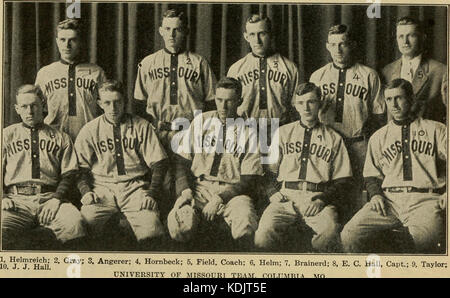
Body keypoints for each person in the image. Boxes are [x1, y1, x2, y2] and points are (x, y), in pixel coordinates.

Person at [341, 78, 446, 253]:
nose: (394, 105)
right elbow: (371, 175)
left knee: (425, 241)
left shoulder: (436, 129)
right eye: (389, 99)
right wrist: (375, 195)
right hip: (389, 201)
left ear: (411, 99)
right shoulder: (379, 136)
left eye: (399, 98)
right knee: (350, 234)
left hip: (425, 201)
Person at [255, 83, 352, 252]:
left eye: (311, 102)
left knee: (330, 233)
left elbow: (343, 181)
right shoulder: (283, 133)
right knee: (263, 235)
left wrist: (323, 200)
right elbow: (268, 172)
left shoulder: (334, 138)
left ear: (320, 104)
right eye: (301, 103)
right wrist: (271, 192)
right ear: (295, 105)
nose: (306, 108)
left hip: (317, 197)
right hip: (285, 197)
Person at [167, 77, 262, 250]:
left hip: (232, 193)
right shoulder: (201, 121)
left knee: (246, 222)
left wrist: (219, 198)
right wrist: (185, 190)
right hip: (199, 188)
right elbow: (181, 162)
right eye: (219, 100)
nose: (223, 106)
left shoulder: (249, 132)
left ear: (239, 101)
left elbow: (249, 179)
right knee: (179, 225)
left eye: (229, 101)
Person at [75, 80, 168, 250]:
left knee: (152, 229)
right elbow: (79, 169)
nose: (113, 108)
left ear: (124, 101)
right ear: (99, 104)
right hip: (101, 188)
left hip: (135, 187)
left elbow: (159, 163)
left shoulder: (142, 126)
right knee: (84, 223)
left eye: (117, 102)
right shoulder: (89, 130)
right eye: (107, 103)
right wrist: (86, 191)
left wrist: (151, 193)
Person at [309, 24, 386, 214]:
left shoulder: (369, 75)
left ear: (352, 44)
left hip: (357, 144)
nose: (338, 50)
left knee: (359, 197)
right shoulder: (318, 76)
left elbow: (379, 116)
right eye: (333, 45)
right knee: (328, 196)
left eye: (343, 44)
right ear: (327, 46)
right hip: (327, 145)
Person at [2, 85, 85, 249]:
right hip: (16, 200)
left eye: (34, 105)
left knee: (75, 224)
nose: (30, 111)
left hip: (50, 199)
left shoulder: (61, 137)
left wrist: (56, 199)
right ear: (17, 109)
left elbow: (69, 174)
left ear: (43, 105)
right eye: (24, 107)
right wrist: (2, 197)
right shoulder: (6, 135)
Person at [134, 8, 217, 149]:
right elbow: (139, 102)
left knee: (185, 171)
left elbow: (212, 102)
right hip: (157, 132)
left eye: (177, 29)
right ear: (161, 31)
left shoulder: (199, 62)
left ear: (186, 31)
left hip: (190, 132)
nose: (171, 35)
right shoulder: (148, 62)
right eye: (167, 29)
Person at [35, 19, 106, 141]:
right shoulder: (45, 73)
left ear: (80, 42)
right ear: (57, 41)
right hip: (53, 139)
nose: (67, 45)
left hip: (89, 139)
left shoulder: (97, 72)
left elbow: (107, 108)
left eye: (72, 40)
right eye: (62, 40)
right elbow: (36, 110)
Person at [227, 14, 299, 126]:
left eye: (262, 34)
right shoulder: (236, 69)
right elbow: (228, 108)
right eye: (252, 34)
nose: (257, 40)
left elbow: (297, 107)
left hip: (280, 129)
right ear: (246, 37)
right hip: (246, 130)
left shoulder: (289, 68)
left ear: (271, 35)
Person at [382, 16, 447, 124]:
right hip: (395, 138)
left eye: (411, 36)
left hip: (427, 137)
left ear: (423, 37)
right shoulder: (387, 71)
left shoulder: (440, 71)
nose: (405, 42)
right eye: (401, 36)